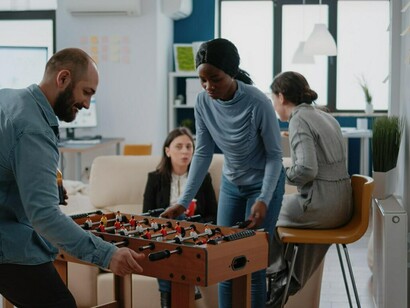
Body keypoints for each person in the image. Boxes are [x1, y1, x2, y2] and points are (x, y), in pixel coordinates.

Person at [0, 48, 144, 307]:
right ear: (63, 78)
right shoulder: (34, 129)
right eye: (86, 92)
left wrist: (47, 184)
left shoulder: (10, 99)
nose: (88, 104)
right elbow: (44, 216)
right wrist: (108, 255)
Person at [160, 38, 286, 308]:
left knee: (251, 266)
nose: (208, 87)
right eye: (202, 80)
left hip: (264, 186)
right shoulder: (203, 102)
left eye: (214, 79)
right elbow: (203, 152)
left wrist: (264, 197)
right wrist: (183, 201)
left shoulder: (257, 102)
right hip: (232, 184)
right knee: (224, 264)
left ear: (231, 72)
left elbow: (275, 156)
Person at [267, 71, 353, 306]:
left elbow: (306, 170)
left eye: (273, 99)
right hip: (344, 208)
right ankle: (287, 280)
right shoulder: (326, 116)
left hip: (322, 206)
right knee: (294, 222)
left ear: (281, 96)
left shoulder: (299, 119)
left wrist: (280, 176)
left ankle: (275, 276)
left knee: (266, 212)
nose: (274, 106)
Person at [143, 126, 217, 307]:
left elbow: (213, 216)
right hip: (164, 235)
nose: (185, 151)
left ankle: (166, 304)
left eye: (189, 146)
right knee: (168, 241)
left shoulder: (203, 178)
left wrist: (191, 221)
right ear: (167, 151)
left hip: (193, 234)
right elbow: (146, 215)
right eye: (179, 146)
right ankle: (190, 282)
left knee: (181, 218)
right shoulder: (155, 179)